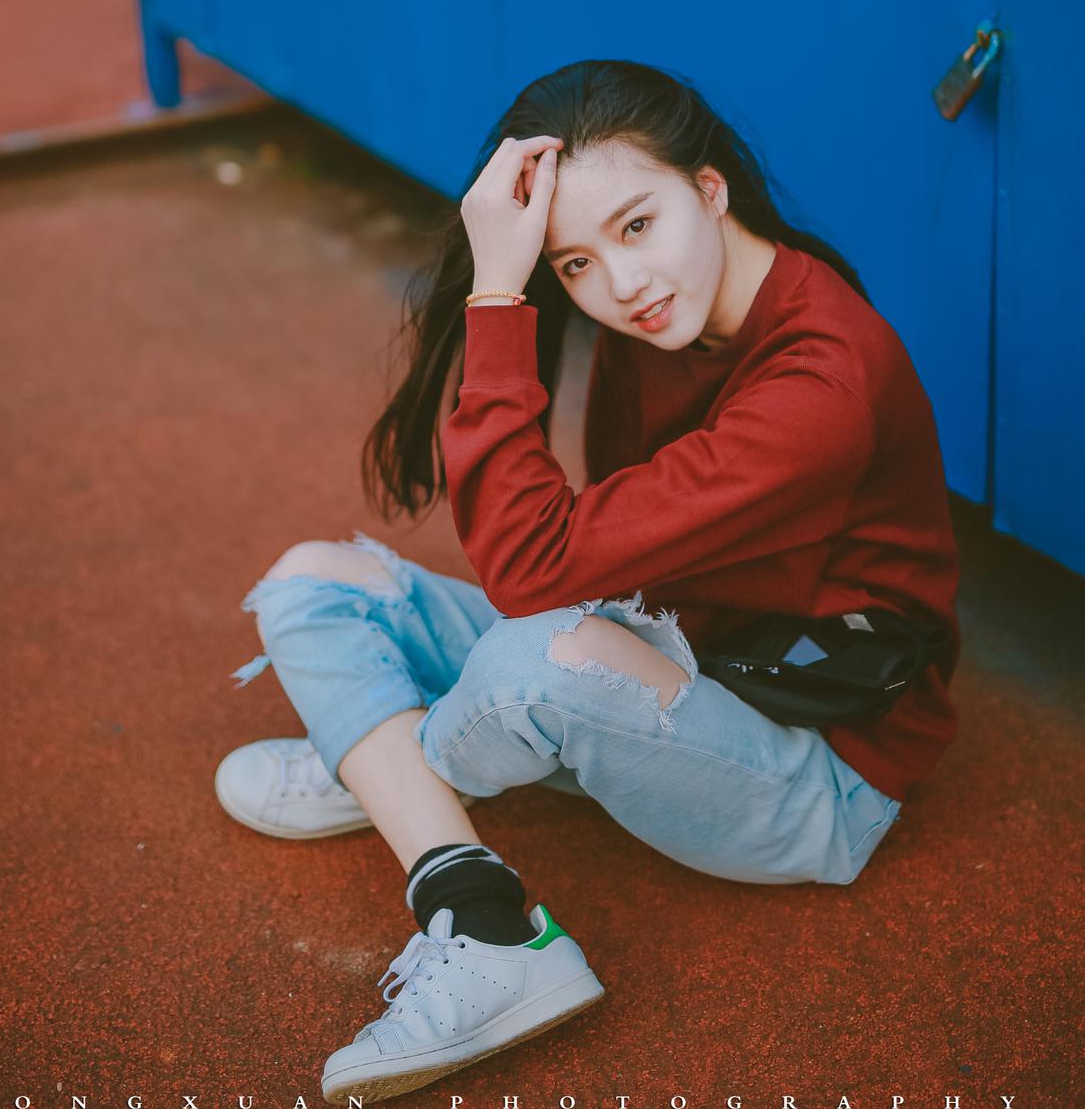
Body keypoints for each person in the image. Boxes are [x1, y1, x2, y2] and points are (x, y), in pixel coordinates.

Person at [218, 58, 960, 1102]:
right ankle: (396, 771)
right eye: (573, 263)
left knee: (533, 660)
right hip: (676, 658)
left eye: (637, 225)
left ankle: (452, 871)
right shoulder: (667, 315)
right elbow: (573, 565)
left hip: (819, 777)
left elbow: (533, 569)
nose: (622, 285)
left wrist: (496, 295)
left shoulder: (820, 384)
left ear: (711, 188)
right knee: (312, 581)